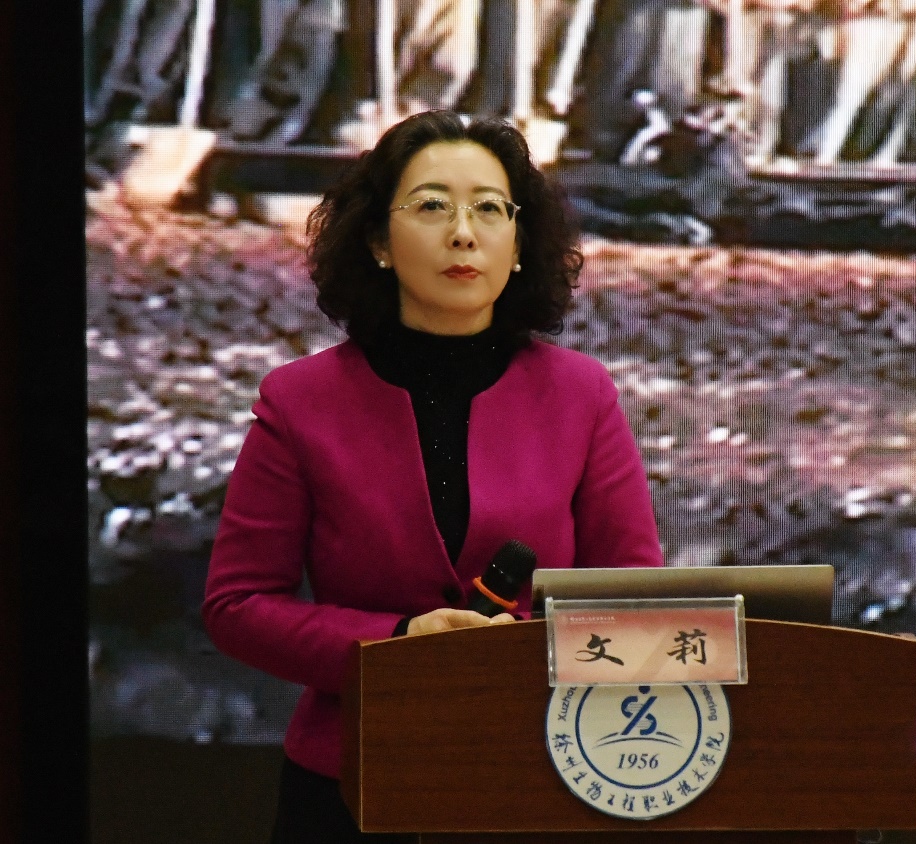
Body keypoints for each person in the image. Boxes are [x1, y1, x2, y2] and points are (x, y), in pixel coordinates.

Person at [202, 110, 664, 843]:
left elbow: (636, 600)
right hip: (349, 783)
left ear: (519, 246)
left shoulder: (581, 395)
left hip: (543, 775)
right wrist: (398, 643)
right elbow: (239, 604)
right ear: (379, 243)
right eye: (431, 206)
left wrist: (518, 654)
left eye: (489, 209)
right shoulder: (298, 401)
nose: (463, 233)